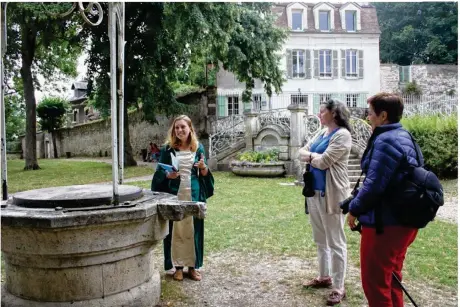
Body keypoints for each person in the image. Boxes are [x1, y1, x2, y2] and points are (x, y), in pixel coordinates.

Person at [347, 93, 419, 307]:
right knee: (391, 279)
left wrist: (354, 209)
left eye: (370, 114)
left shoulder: (385, 140)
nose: (368, 118)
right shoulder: (404, 135)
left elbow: (374, 186)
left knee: (376, 283)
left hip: (385, 225)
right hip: (403, 221)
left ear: (383, 115)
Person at [298, 99, 352, 306]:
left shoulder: (343, 135)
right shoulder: (322, 133)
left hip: (333, 195)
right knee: (320, 239)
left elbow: (324, 161)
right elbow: (302, 151)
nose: (319, 114)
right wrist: (312, 156)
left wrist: (309, 156)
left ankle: (339, 287)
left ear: (334, 113)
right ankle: (324, 277)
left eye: (322, 111)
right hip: (314, 193)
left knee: (336, 242)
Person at [151, 115, 214, 282]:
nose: (179, 130)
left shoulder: (198, 148)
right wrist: (168, 176)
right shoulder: (167, 149)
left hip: (193, 193)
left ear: (190, 129)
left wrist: (203, 168)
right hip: (175, 194)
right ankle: (178, 267)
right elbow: (159, 174)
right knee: (176, 231)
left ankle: (193, 267)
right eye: (176, 128)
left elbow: (205, 173)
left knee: (193, 230)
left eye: (182, 127)